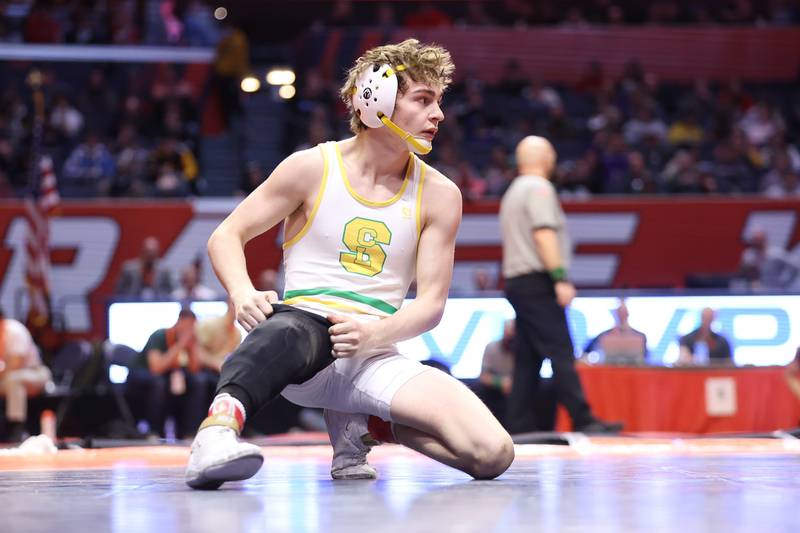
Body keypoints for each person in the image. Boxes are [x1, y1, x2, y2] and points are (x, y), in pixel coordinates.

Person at [185, 39, 514, 489]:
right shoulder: (312, 168)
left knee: (492, 453)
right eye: (423, 100)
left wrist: (374, 334)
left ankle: (369, 426)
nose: (439, 115)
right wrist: (243, 293)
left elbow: (431, 304)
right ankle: (216, 432)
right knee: (292, 326)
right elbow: (226, 235)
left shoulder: (441, 194)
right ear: (374, 100)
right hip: (303, 343)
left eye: (439, 102)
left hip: (373, 351)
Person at [500, 135, 622, 434]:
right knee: (561, 350)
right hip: (538, 281)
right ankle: (583, 419)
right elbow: (544, 235)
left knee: (528, 359)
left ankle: (516, 425)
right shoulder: (540, 188)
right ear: (544, 159)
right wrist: (560, 278)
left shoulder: (512, 192)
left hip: (517, 282)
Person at [127, 309, 206, 438]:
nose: (189, 329)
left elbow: (194, 368)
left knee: (198, 381)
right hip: (141, 374)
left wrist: (193, 346)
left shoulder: (191, 339)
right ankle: (154, 432)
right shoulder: (160, 335)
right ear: (178, 322)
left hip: (167, 374)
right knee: (159, 383)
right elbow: (156, 367)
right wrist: (181, 344)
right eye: (187, 325)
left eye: (192, 327)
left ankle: (189, 432)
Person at [0, 309, 52, 442]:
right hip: (5, 377)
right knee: (11, 380)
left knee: (14, 379)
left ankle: (16, 427)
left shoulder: (15, 330)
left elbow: (14, 365)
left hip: (36, 374)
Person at [582, 301, 648, 365]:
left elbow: (647, 358)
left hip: (634, 374)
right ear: (615, 314)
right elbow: (585, 352)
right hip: (608, 373)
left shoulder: (640, 337)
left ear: (627, 314)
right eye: (619, 313)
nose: (621, 316)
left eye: (624, 313)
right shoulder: (603, 336)